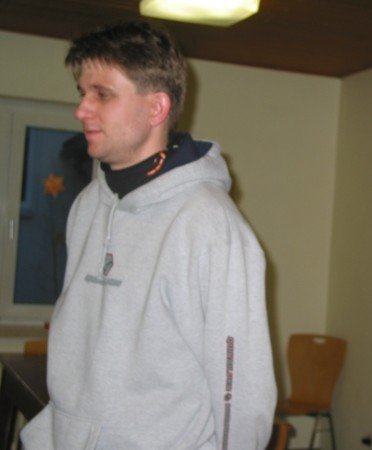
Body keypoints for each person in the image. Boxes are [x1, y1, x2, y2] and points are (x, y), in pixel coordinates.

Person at [20, 21, 276, 449]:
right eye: (82, 93)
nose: (82, 110)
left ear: (156, 108)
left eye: (102, 94)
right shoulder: (88, 204)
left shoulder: (210, 224)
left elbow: (242, 395)